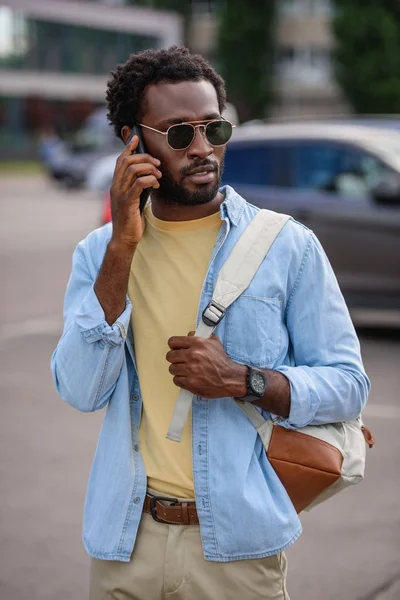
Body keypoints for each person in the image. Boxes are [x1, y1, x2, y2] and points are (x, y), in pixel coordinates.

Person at [51, 46, 370, 600]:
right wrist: (123, 247)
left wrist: (242, 380)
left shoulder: (286, 246)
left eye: (214, 129)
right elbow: (80, 389)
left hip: (236, 551)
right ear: (134, 140)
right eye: (178, 134)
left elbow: (348, 385)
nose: (202, 149)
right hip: (126, 543)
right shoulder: (99, 255)